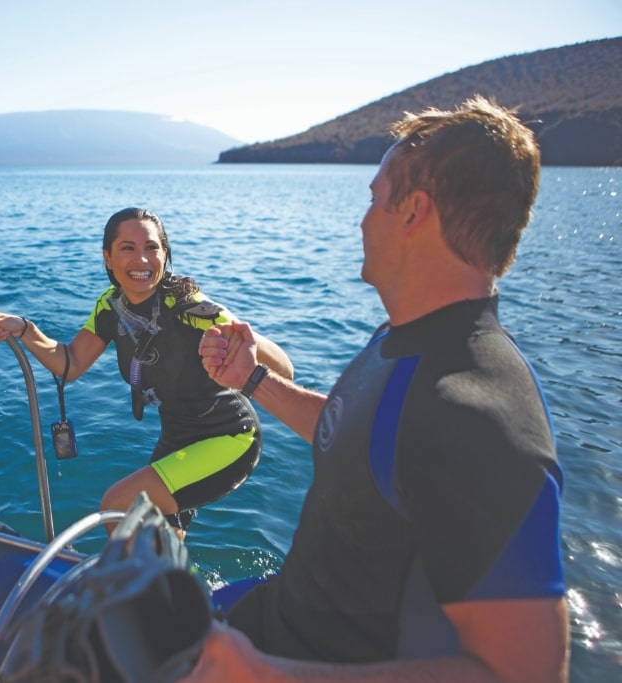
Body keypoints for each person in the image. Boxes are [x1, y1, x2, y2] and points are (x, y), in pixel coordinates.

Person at [189, 97, 569, 682]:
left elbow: (525, 673)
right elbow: (361, 438)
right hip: (276, 618)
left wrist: (263, 674)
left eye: (373, 198)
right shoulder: (401, 342)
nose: (364, 218)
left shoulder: (477, 412)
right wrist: (252, 380)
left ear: (413, 211)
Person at [0, 207, 293, 537]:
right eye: (127, 248)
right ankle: (177, 586)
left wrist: (239, 332)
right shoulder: (110, 307)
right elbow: (69, 363)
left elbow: (285, 370)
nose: (141, 260)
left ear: (165, 254)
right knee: (162, 538)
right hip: (177, 439)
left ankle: (148, 586)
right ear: (108, 258)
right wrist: (24, 328)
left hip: (229, 436)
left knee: (119, 504)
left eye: (152, 248)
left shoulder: (188, 306)